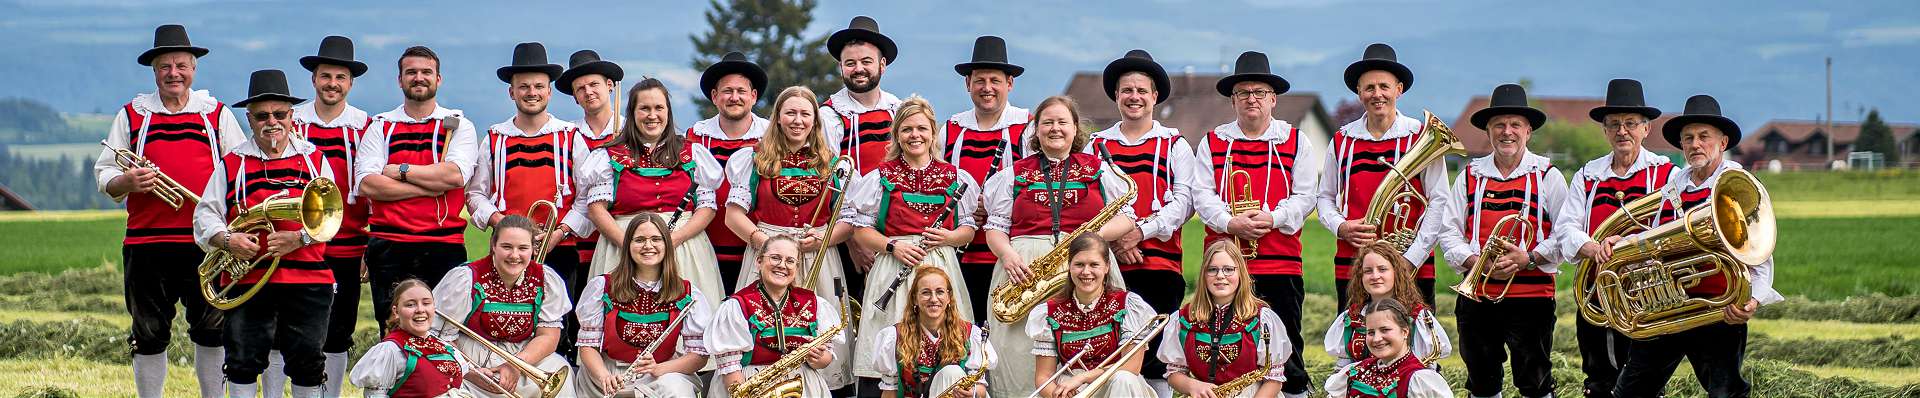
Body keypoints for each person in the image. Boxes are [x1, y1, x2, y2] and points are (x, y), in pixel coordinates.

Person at [94, 24, 241, 397]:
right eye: (165, 67)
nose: (174, 73)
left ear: (194, 68)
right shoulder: (132, 115)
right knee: (148, 333)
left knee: (212, 329)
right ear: (154, 71)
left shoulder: (216, 114)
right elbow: (104, 173)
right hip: (147, 243)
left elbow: (240, 170)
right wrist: (127, 182)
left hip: (206, 242)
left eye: (181, 65)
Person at [1612, 95, 1784, 398]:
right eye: (1688, 138)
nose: (1695, 144)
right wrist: (1623, 245)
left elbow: (1759, 252)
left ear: (1723, 141)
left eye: (1704, 136)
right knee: (1631, 390)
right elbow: (1655, 238)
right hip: (1667, 305)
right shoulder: (1673, 186)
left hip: (1718, 309)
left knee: (1725, 392)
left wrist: (1752, 301)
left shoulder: (1737, 184)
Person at [980, 95, 1137, 398]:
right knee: (1019, 350)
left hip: (1085, 262)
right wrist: (1008, 254)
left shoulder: (1099, 169)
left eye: (1062, 122)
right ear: (1035, 130)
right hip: (1025, 271)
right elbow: (995, 228)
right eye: (1047, 122)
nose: (1055, 128)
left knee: (1093, 342)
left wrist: (1089, 242)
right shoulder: (1013, 174)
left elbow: (1128, 217)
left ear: (1075, 128)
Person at [192, 69, 335, 397]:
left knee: (308, 361)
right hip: (249, 283)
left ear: (291, 115)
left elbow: (330, 216)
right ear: (250, 119)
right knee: (242, 359)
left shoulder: (314, 160)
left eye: (280, 114)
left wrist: (298, 239)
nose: (272, 122)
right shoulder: (233, 164)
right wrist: (229, 240)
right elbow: (205, 216)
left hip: (309, 280)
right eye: (262, 116)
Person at [1190, 50, 1321, 398]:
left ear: (1273, 99)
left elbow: (1307, 196)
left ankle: (1293, 393)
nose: (1252, 99)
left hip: (1280, 262)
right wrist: (1231, 223)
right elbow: (1201, 196)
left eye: (1259, 92)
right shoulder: (1213, 141)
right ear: (1233, 100)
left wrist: (1273, 218)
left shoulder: (1296, 141)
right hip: (1225, 265)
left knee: (1287, 346)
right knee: (1225, 345)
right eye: (1243, 93)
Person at [1435, 84, 1571, 398]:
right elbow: (1449, 231)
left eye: (1515, 125)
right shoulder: (1470, 175)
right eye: (1499, 125)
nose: (1506, 132)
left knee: (1534, 380)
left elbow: (1565, 233)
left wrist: (1529, 258)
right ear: (1488, 130)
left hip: (1532, 296)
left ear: (1528, 131)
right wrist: (1473, 260)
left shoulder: (1547, 175)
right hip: (1477, 294)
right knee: (1481, 379)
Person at [723, 85, 857, 391]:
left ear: (815, 121)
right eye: (791, 113)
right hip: (767, 250)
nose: (798, 120)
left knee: (820, 330)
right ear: (778, 118)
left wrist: (823, 236)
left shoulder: (831, 162)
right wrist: (765, 243)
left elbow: (849, 221)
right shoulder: (755, 159)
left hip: (816, 256)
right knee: (762, 326)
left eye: (805, 114)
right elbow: (733, 216)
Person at [846, 96, 983, 384]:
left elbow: (969, 229)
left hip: (939, 263)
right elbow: (861, 230)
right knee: (891, 342)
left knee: (946, 341)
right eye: (907, 129)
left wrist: (949, 236)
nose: (915, 135)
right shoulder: (879, 177)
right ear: (897, 134)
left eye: (922, 128)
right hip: (894, 264)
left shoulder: (955, 176)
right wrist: (893, 246)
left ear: (933, 133)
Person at [1556, 78, 1672, 398]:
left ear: (1646, 129)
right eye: (1614, 124)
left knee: (1646, 381)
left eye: (1631, 123)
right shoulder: (1588, 175)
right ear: (1605, 131)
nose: (1622, 131)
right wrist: (1594, 247)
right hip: (1598, 295)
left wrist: (1627, 246)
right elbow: (1566, 228)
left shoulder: (1666, 175)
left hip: (1649, 295)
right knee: (1599, 380)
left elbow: (1674, 229)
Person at [1088, 48, 1197, 389]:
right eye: (1126, 90)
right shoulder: (1095, 145)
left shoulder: (1174, 144)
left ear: (1154, 96)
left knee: (1155, 353)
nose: (1134, 97)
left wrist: (1139, 233)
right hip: (1107, 265)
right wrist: (1117, 244)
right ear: (1116, 96)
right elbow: (1091, 203)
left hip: (1161, 267)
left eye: (1141, 90)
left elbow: (1184, 203)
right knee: (1107, 350)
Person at [276, 34, 374, 397]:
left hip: (347, 244)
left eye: (340, 77)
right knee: (282, 328)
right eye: (325, 76)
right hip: (294, 243)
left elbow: (373, 188)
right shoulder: (291, 119)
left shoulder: (366, 125)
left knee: (337, 330)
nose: (332, 84)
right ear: (314, 79)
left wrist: (371, 242)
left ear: (350, 82)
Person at [354, 45, 479, 330]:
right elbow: (367, 184)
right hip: (389, 244)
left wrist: (401, 171)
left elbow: (454, 177)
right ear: (400, 80)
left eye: (426, 72)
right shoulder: (381, 126)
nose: (418, 78)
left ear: (439, 79)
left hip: (443, 244)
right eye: (411, 72)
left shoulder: (459, 125)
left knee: (444, 329)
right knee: (393, 329)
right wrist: (428, 187)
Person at [1315, 43, 1449, 310]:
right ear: (1359, 93)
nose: (1377, 94)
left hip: (1412, 264)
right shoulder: (1343, 140)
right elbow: (1324, 197)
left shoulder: (1421, 137)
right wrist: (1341, 226)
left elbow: (1439, 201)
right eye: (1369, 88)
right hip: (1354, 264)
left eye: (1384, 86)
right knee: (1357, 340)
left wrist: (1411, 258)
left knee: (1413, 344)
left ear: (1398, 89)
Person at [584, 77, 727, 307]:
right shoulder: (608, 157)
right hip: (623, 247)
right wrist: (630, 245)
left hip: (683, 247)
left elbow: (707, 208)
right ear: (632, 113)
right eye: (645, 109)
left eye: (659, 108)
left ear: (668, 112)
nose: (652, 115)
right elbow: (596, 209)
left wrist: (672, 241)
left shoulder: (692, 153)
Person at [431, 215, 577, 396]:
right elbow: (440, 338)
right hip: (472, 359)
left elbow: (548, 336)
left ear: (533, 248)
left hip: (524, 358)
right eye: (507, 247)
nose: (515, 255)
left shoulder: (546, 279)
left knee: (560, 367)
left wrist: (516, 365)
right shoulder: (465, 278)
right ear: (493, 246)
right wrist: (472, 373)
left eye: (523, 248)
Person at [574, 212, 714, 397]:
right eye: (639, 240)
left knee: (675, 388)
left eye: (656, 239)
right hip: (608, 374)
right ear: (628, 246)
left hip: (659, 373)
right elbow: (588, 347)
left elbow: (698, 356)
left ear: (667, 244)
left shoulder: (687, 292)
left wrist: (660, 368)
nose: (648, 246)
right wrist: (604, 376)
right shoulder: (601, 288)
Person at [941, 35, 1029, 322]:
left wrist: (993, 207)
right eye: (979, 80)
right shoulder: (951, 129)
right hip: (959, 252)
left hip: (1010, 254)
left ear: (1009, 84)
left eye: (995, 80)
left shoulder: (1026, 127)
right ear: (968, 84)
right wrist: (963, 209)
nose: (987, 88)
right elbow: (937, 182)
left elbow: (1035, 187)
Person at [709, 235, 848, 397]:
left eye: (790, 261)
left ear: (796, 267)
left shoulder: (815, 303)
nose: (782, 265)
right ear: (759, 261)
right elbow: (730, 367)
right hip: (749, 384)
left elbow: (826, 359)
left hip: (803, 385)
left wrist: (818, 358)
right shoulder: (736, 306)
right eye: (775, 258)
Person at [1028, 234, 1160, 398]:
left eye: (1094, 264)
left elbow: (1131, 367)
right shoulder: (1049, 312)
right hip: (1072, 390)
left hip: (1116, 387)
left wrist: (1083, 377)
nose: (1086, 271)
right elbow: (1044, 377)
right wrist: (1058, 395)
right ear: (1069, 266)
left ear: (1107, 267)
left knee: (1124, 379)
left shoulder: (1128, 305)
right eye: (1079, 264)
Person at [1158, 240, 1292, 398]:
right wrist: (1192, 385)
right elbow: (1175, 373)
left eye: (1228, 269)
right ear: (1204, 275)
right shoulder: (1183, 319)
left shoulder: (1263, 318)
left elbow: (1274, 379)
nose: (1220, 276)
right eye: (1212, 270)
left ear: (1241, 273)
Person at [690, 51, 772, 290]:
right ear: (715, 96)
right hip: (705, 249)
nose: (734, 97)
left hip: (757, 250)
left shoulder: (771, 136)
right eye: (727, 91)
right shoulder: (696, 136)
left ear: (754, 96)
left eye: (741, 91)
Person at [349, 279, 499, 398]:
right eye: (410, 304)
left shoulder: (442, 345)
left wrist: (480, 373)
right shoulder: (390, 350)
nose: (420, 309)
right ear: (396, 311)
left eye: (426, 303)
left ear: (434, 307)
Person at [863, 266, 995, 398]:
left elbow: (981, 390)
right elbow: (889, 392)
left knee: (952, 372)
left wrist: (973, 393)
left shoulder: (970, 333)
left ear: (949, 297)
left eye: (940, 292)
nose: (933, 299)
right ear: (915, 298)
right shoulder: (895, 336)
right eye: (926, 292)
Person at [1323, 242, 1450, 369]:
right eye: (1368, 271)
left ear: (1396, 272)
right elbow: (1343, 366)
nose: (1375, 276)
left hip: (1406, 384)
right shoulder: (1352, 316)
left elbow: (1427, 367)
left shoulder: (1417, 316)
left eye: (1382, 269)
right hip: (1364, 386)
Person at [560, 49, 627, 268]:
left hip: (623, 240)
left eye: (594, 85)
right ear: (575, 98)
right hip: (576, 243)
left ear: (609, 85)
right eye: (580, 88)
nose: (588, 92)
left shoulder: (631, 131)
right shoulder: (567, 135)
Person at [1322, 298, 1454, 398]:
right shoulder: (1357, 370)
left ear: (1405, 332)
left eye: (1385, 330)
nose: (1377, 338)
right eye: (1371, 332)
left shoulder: (1419, 379)